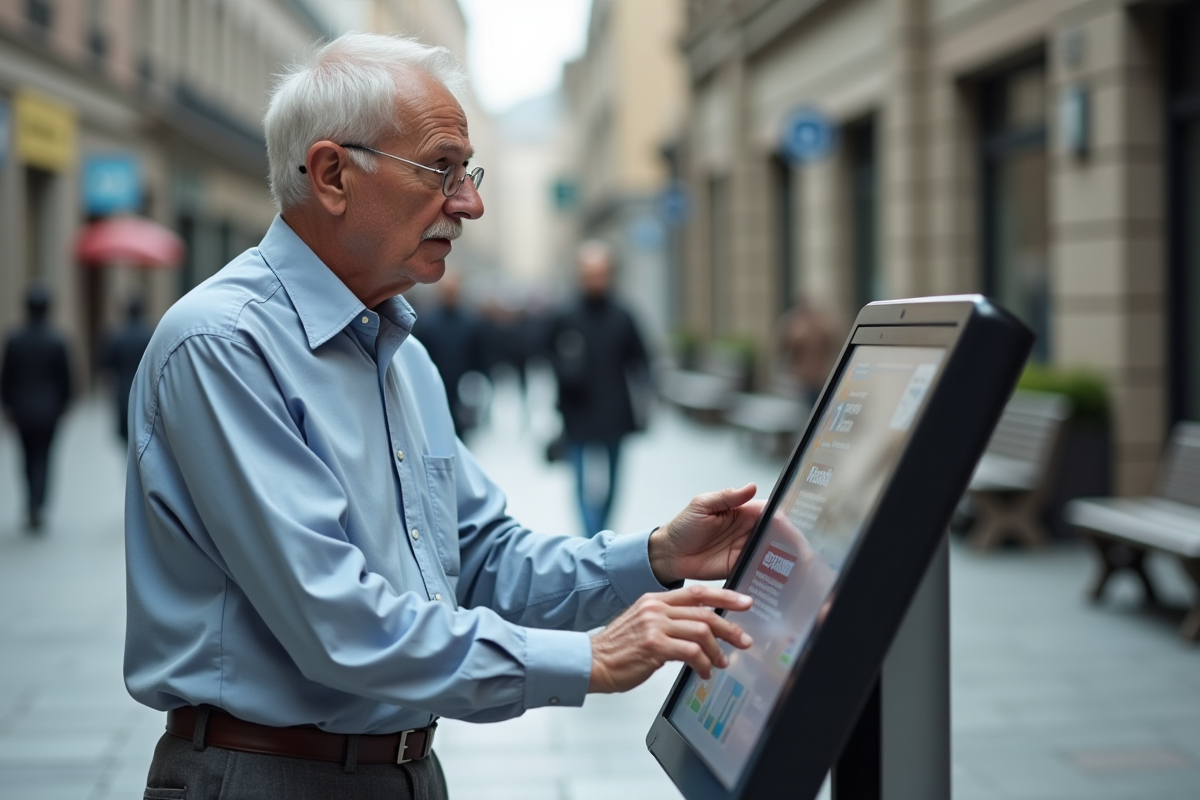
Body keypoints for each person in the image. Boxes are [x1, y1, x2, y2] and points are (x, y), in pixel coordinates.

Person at [124, 34, 759, 800]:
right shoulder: (224, 346)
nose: (470, 202)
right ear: (332, 175)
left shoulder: (397, 350)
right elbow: (340, 624)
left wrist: (657, 555)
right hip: (265, 776)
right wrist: (587, 660)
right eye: (442, 169)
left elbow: (483, 558)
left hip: (405, 771)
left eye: (469, 172)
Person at [548, 241, 650, 537]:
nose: (594, 279)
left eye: (600, 273)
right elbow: (546, 351)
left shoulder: (623, 315)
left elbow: (641, 360)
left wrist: (645, 402)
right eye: (588, 273)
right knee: (580, 481)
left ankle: (603, 530)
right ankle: (592, 537)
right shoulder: (566, 315)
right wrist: (564, 371)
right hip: (577, 411)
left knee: (614, 481)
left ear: (610, 274)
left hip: (615, 411)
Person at [0, 285, 72, 532]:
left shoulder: (14, 339)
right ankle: (38, 504)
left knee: (27, 457)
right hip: (49, 409)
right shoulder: (57, 340)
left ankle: (31, 502)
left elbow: (6, 377)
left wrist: (7, 406)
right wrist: (65, 404)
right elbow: (66, 378)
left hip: (21, 409)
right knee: (44, 457)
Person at [413, 272, 486, 437]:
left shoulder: (472, 322)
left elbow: (480, 358)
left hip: (462, 392)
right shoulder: (426, 322)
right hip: (433, 389)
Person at [98, 295, 154, 443]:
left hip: (123, 392)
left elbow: (105, 367)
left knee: (126, 437)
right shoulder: (150, 335)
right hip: (145, 392)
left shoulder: (116, 336)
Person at [777, 293, 838, 407]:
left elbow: (832, 343)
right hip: (802, 379)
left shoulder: (820, 323)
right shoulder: (794, 324)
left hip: (818, 377)